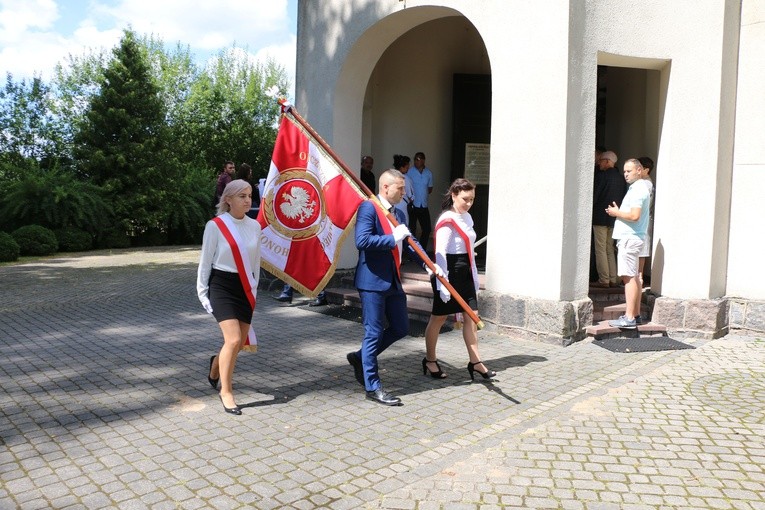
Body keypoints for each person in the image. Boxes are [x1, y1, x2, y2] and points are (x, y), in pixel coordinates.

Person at [346, 169, 442, 406]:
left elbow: (409, 243)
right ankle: (372, 386)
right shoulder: (369, 208)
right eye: (400, 188)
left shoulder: (398, 212)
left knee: (400, 328)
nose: (404, 191)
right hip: (372, 281)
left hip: (393, 280)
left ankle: (360, 358)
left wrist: (428, 264)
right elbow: (363, 241)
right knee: (373, 332)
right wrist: (392, 238)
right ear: (385, 187)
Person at [197, 179, 261, 415]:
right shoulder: (215, 226)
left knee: (237, 342)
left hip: (244, 287)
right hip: (221, 286)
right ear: (228, 199)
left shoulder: (255, 226)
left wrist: (254, 289)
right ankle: (227, 391)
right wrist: (203, 294)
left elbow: (255, 263)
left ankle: (215, 366)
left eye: (249, 195)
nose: (248, 200)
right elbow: (205, 263)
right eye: (242, 196)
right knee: (234, 340)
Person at [423, 178, 495, 381]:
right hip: (448, 271)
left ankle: (475, 362)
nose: (469, 203)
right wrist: (442, 282)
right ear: (454, 195)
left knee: (472, 317)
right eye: (465, 199)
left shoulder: (468, 218)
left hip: (465, 271)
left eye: (472, 199)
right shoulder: (447, 218)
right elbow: (440, 252)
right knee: (438, 318)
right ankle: (430, 360)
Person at [606, 159, 650, 329]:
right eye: (624, 171)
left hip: (630, 238)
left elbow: (634, 215)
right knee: (634, 277)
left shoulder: (638, 189)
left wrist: (617, 212)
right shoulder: (638, 188)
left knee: (628, 277)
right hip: (633, 237)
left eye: (629, 171)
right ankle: (636, 315)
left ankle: (629, 317)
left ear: (639, 170)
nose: (625, 174)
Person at [592, 150, 626, 288]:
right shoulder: (621, 178)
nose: (598, 163)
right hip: (614, 218)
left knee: (600, 248)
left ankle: (604, 280)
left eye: (601, 160)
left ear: (607, 161)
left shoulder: (602, 176)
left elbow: (595, 196)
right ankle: (613, 278)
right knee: (610, 248)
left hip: (600, 217)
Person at [408, 152, 434, 250]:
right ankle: (412, 251)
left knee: (427, 229)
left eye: (418, 159)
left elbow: (430, 188)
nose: (416, 161)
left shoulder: (428, 173)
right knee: (412, 230)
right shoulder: (410, 172)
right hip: (413, 205)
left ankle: (422, 250)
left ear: (423, 160)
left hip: (424, 205)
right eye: (415, 159)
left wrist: (422, 192)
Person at [637, 156, 655, 287]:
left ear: (646, 170)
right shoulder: (644, 183)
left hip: (642, 219)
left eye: (639, 168)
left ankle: (639, 275)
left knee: (641, 249)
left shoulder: (646, 184)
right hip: (642, 219)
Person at [392, 154, 414, 225]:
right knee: (403, 225)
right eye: (407, 167)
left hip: (391, 203)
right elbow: (411, 196)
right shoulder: (405, 178)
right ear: (402, 167)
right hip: (402, 204)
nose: (408, 169)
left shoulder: (390, 176)